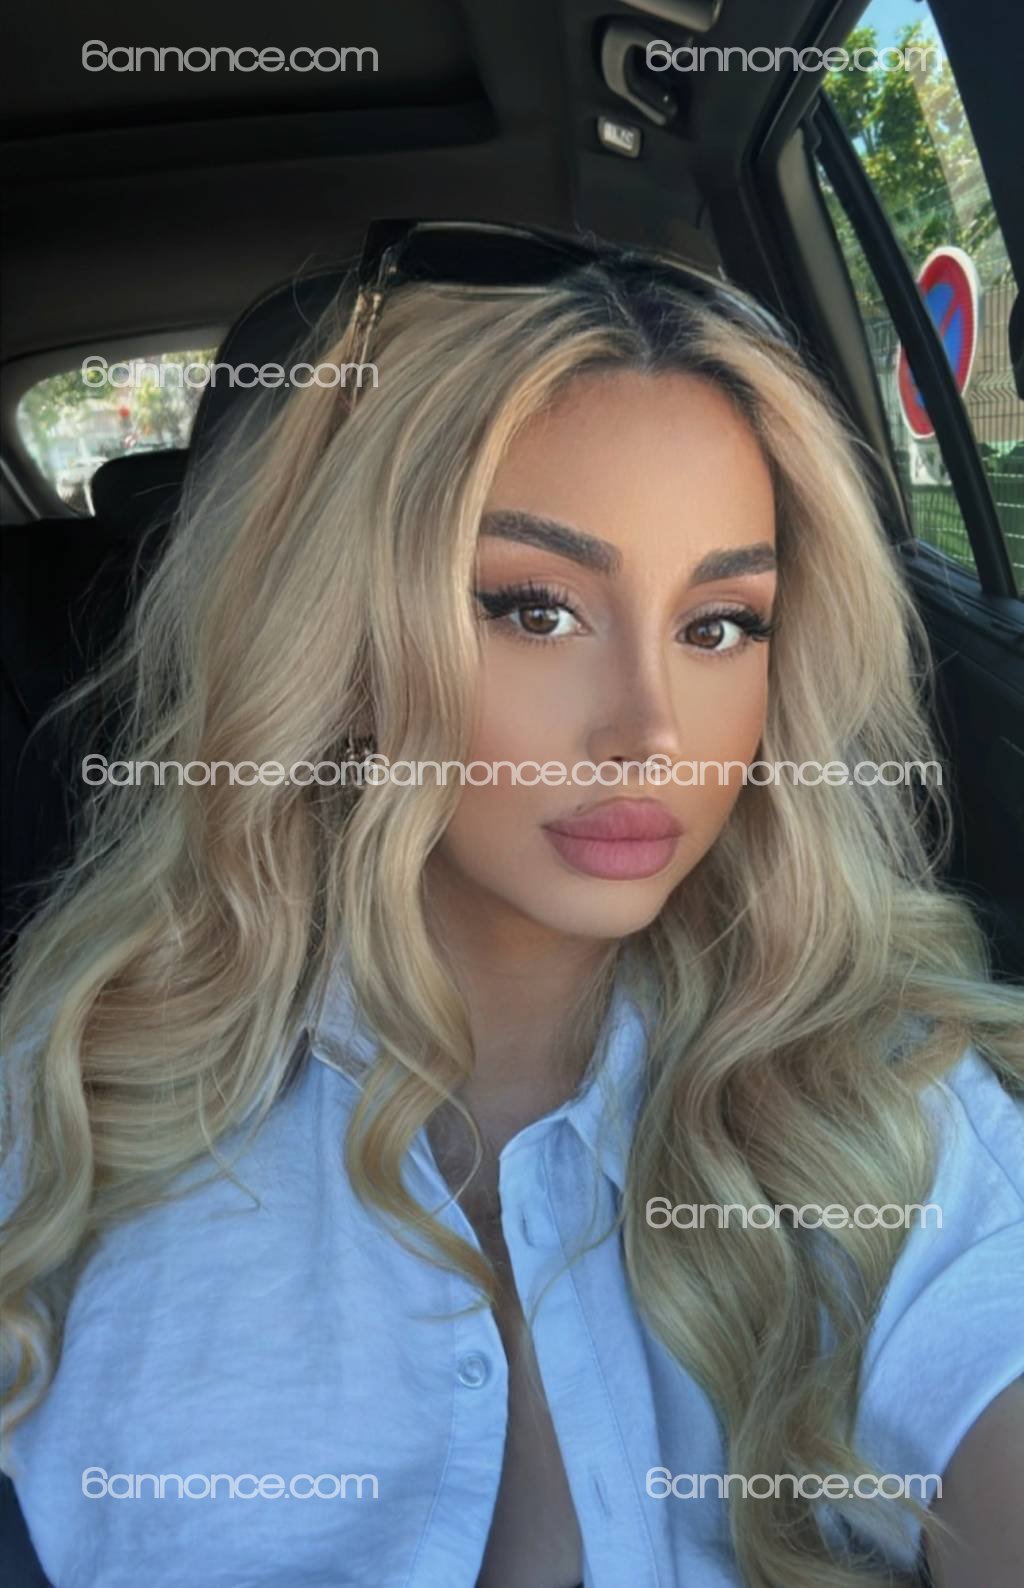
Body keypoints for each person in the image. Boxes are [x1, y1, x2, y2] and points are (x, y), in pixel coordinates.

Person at [1, 220, 1022, 1588]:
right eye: (535, 609)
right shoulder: (82, 1106)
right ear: (342, 635)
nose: (651, 731)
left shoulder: (883, 1105)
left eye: (719, 624)